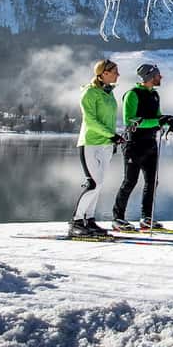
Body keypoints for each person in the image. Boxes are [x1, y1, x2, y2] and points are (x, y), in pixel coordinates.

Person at [112, 63, 173, 231]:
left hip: (151, 143)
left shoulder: (154, 95)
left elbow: (157, 117)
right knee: (130, 182)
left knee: (152, 181)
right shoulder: (132, 95)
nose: (160, 77)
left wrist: (167, 119)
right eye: (158, 75)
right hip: (133, 144)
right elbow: (130, 121)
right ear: (149, 76)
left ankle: (146, 218)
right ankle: (117, 218)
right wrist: (157, 121)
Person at [71, 58, 124, 237]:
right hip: (90, 143)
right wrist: (111, 135)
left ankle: (89, 220)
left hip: (106, 145)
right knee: (93, 183)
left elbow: (109, 120)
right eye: (115, 71)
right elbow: (90, 121)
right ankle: (76, 222)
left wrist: (114, 139)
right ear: (104, 73)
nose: (118, 74)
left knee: (99, 184)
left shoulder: (109, 93)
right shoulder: (89, 92)